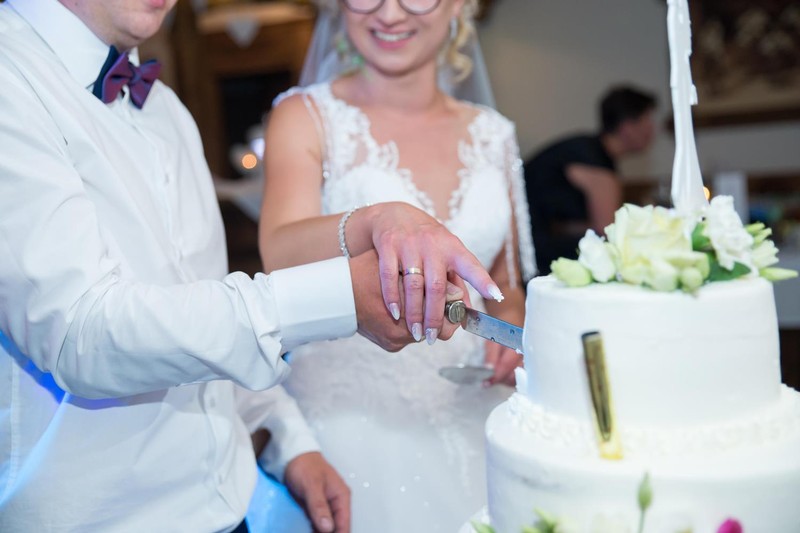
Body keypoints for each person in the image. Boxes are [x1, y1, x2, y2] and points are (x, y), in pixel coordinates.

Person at [0, 1, 502, 531]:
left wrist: (291, 442)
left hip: (229, 508)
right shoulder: (13, 81)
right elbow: (80, 334)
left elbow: (204, 321)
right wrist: (343, 295)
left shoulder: (167, 112)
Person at [256, 0, 536, 530]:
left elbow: (505, 285)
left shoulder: (493, 133)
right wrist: (374, 222)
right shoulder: (305, 116)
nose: (389, 13)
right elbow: (278, 252)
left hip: (475, 411)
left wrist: (510, 329)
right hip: (353, 423)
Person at [524, 85, 657, 274]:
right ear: (627, 126)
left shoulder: (585, 148)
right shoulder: (596, 163)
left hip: (533, 250)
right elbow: (607, 230)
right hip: (539, 261)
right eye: (647, 120)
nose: (652, 130)